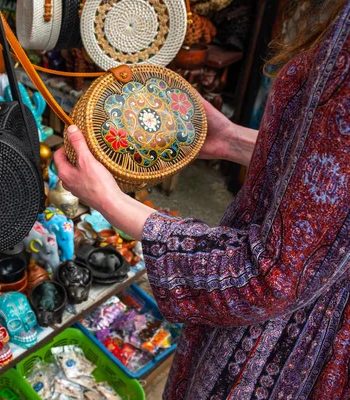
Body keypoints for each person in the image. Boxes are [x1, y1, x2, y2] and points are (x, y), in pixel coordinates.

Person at [54, 0, 350, 398]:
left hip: (276, 354)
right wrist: (237, 141)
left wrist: (115, 205)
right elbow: (330, 177)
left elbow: (269, 278)